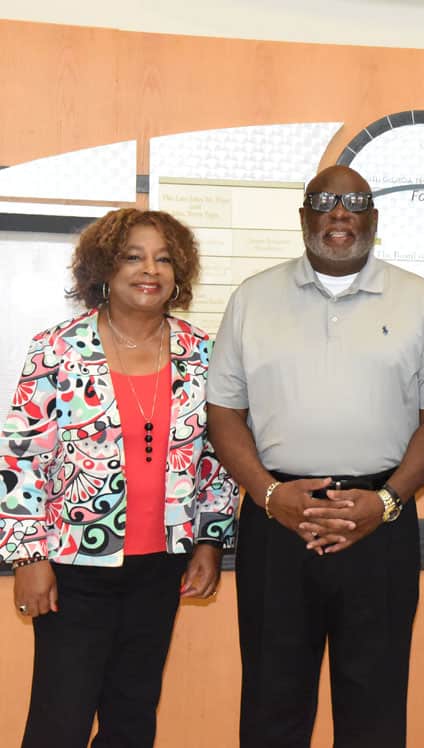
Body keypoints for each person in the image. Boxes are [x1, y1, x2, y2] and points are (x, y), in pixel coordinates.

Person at [206, 164, 424, 747]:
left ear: (373, 218)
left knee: (374, 708)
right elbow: (223, 415)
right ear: (303, 218)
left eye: (353, 202)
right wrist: (271, 496)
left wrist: (387, 502)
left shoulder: (418, 300)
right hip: (276, 520)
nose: (338, 212)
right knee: (273, 704)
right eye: (324, 200)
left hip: (380, 522)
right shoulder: (252, 298)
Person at [0, 208, 237, 747]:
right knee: (60, 720)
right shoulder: (57, 348)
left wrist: (209, 540)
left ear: (180, 274)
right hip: (72, 566)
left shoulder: (204, 354)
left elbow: (217, 455)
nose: (149, 270)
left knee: (132, 720)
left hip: (162, 566)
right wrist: (29, 558)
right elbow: (21, 459)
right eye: (132, 257)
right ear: (104, 268)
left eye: (163, 259)